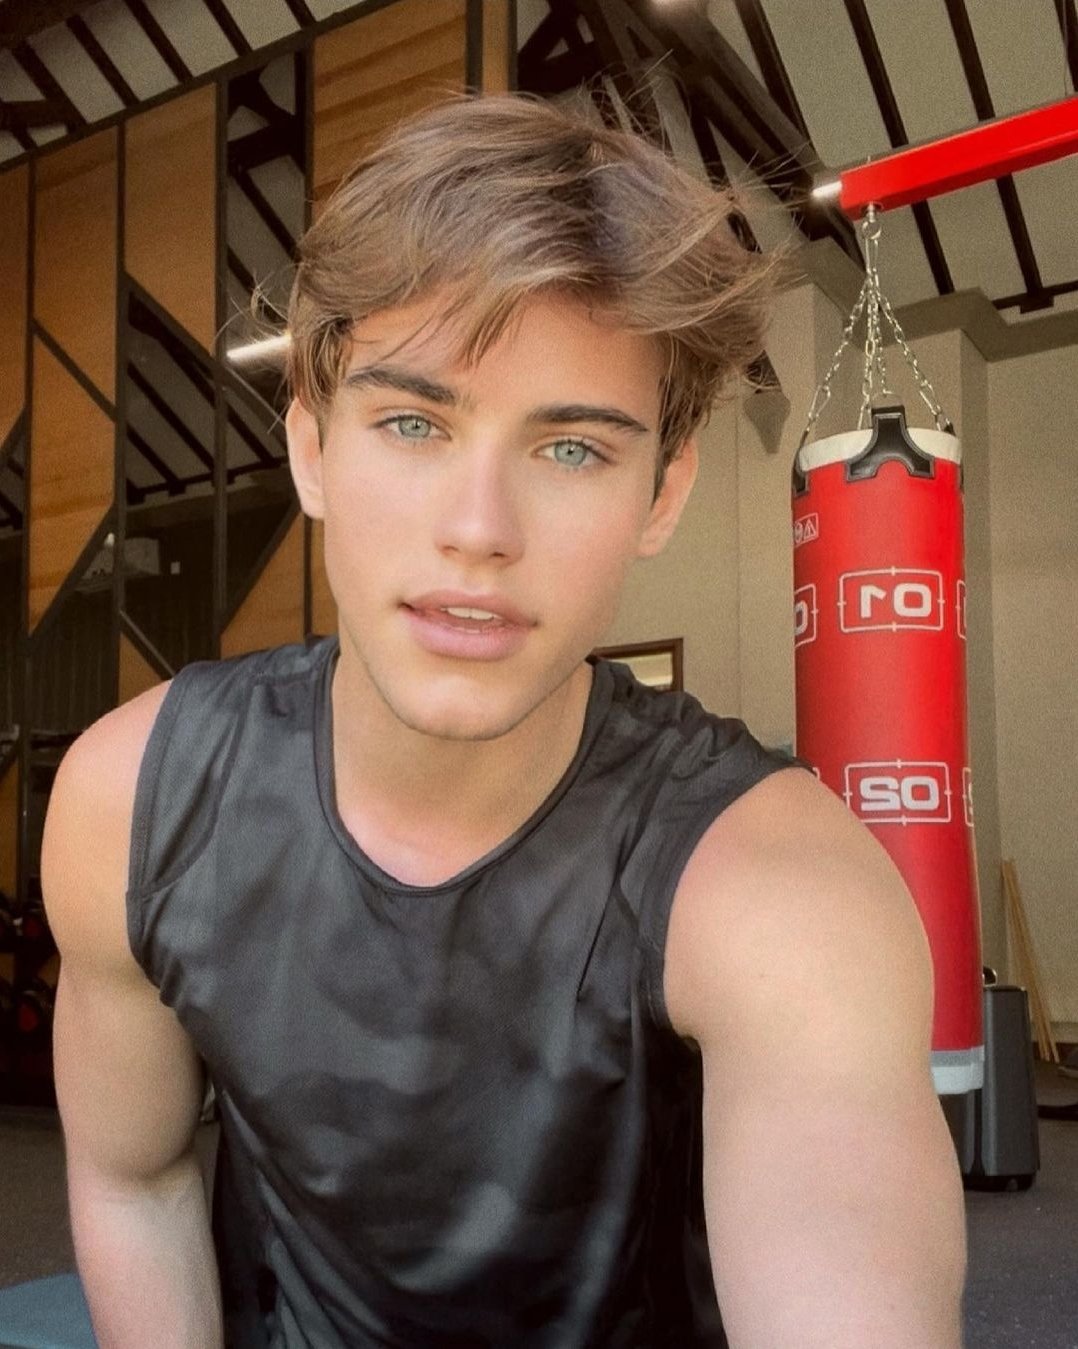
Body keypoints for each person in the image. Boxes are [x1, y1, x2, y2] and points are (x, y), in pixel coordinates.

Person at [41, 93, 965, 1347]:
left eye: (572, 448)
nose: (479, 529)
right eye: (412, 423)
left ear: (661, 492)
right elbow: (130, 1176)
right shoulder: (134, 798)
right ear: (311, 448)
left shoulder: (779, 894)